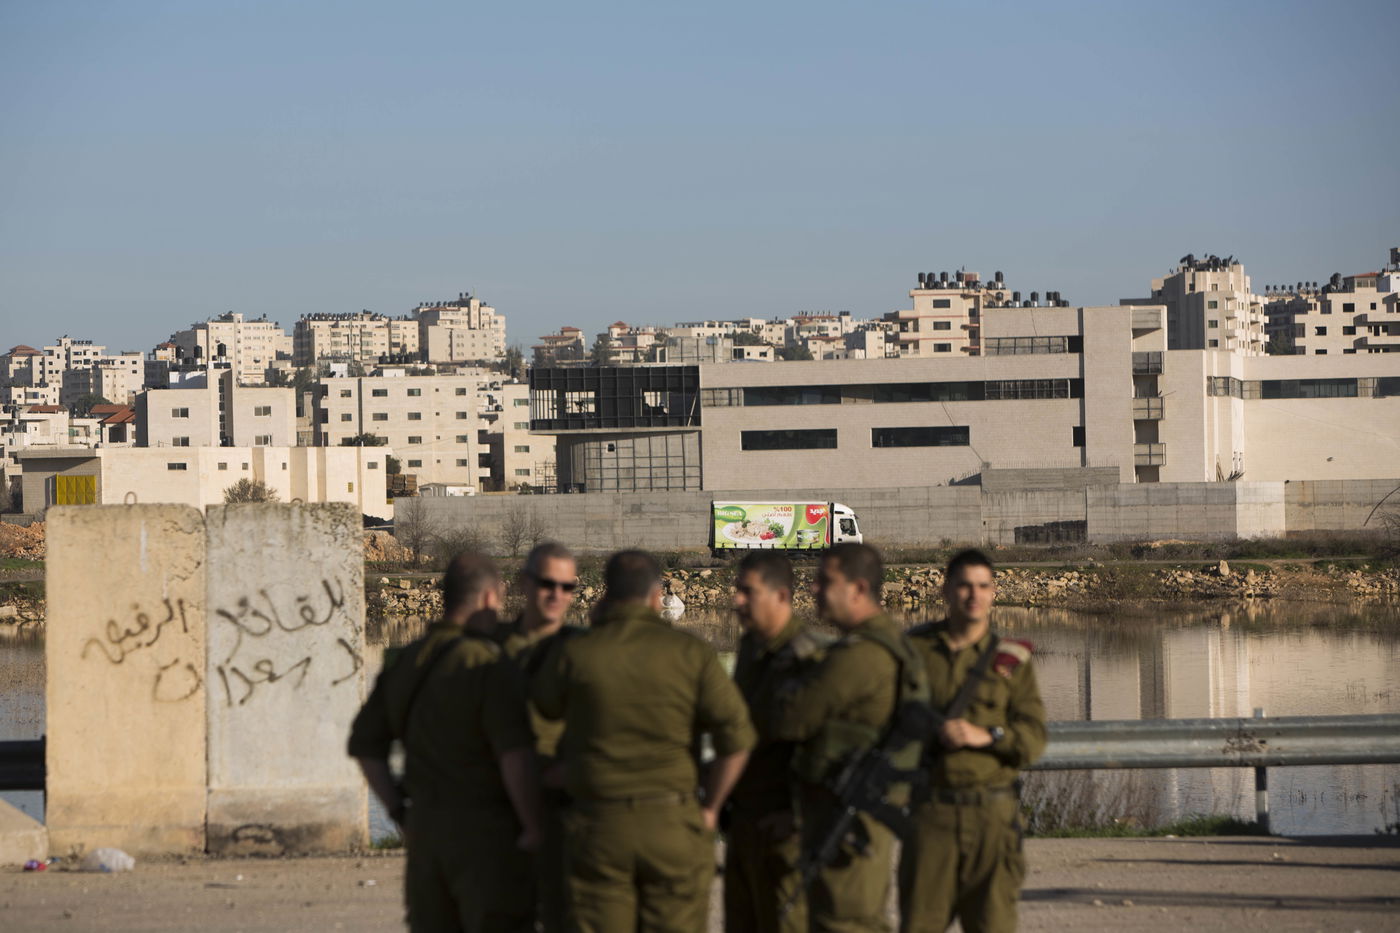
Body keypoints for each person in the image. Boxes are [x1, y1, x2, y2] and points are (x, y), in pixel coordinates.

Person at [532, 549, 756, 933]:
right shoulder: (692, 653)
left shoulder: (575, 653)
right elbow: (737, 739)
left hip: (599, 824)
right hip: (673, 821)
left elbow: (531, 729)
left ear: (606, 595)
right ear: (657, 596)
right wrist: (711, 807)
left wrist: (567, 775)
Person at [349, 551, 543, 933]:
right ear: (490, 597)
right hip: (486, 835)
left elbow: (366, 747)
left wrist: (399, 811)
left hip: (425, 834)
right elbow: (513, 757)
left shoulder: (404, 660)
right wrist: (534, 825)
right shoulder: (486, 663)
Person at [767, 542, 926, 933]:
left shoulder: (860, 655)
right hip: (857, 812)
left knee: (845, 921)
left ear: (857, 589)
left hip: (848, 818)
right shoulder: (891, 642)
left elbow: (789, 719)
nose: (814, 589)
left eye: (825, 581)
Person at [898, 549, 1046, 933]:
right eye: (964, 585)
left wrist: (990, 735)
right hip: (931, 814)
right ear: (945, 590)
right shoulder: (913, 651)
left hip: (992, 817)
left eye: (983, 586)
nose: (973, 595)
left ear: (994, 592)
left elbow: (1033, 737)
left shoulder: (1011, 659)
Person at [726, 551, 828, 933]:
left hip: (786, 834)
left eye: (747, 592)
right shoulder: (751, 650)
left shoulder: (809, 657)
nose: (737, 600)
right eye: (738, 590)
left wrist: (800, 816)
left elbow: (829, 747)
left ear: (781, 596)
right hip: (746, 822)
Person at [496, 541, 582, 932]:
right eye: (548, 584)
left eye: (568, 587)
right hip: (499, 816)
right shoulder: (489, 650)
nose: (557, 595)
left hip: (567, 814)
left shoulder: (585, 651)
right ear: (524, 584)